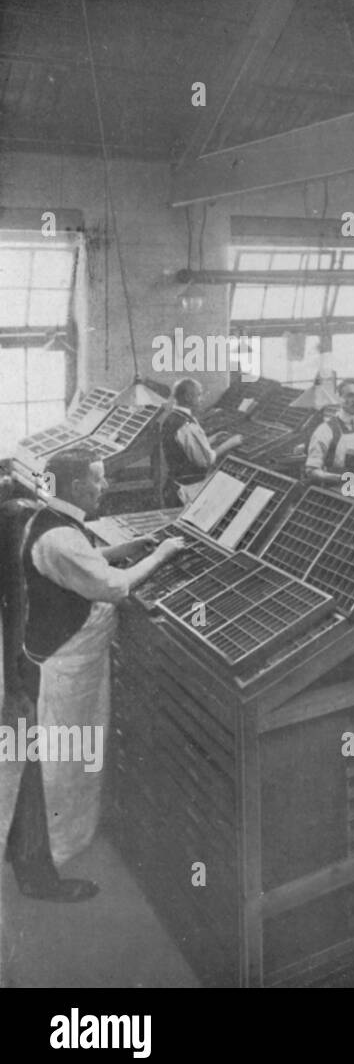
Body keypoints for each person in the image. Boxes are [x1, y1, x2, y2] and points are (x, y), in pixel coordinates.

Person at [6, 447, 185, 902]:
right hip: (62, 673)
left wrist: (121, 549)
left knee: (60, 766)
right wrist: (162, 553)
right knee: (53, 771)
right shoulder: (59, 537)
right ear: (77, 487)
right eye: (99, 479)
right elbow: (114, 586)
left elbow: (81, 558)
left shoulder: (53, 520)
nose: (105, 486)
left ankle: (48, 849)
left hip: (71, 664)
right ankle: (39, 877)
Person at [159, 378, 243, 506]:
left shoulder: (172, 417)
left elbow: (186, 446)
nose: (201, 398)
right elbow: (206, 460)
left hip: (175, 482)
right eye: (199, 394)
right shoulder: (187, 425)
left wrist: (212, 439)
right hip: (190, 489)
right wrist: (230, 443)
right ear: (188, 397)